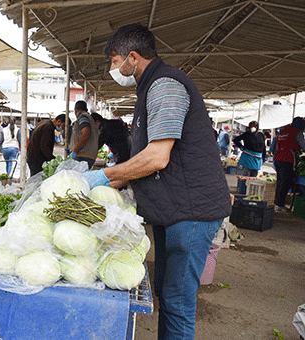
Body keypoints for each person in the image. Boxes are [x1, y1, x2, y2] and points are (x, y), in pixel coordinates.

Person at [84, 23, 231, 340]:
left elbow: (156, 157)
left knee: (178, 301)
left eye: (113, 61)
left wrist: (103, 175)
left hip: (191, 212)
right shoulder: (149, 89)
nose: (113, 68)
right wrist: (104, 186)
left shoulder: (165, 85)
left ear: (132, 58)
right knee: (168, 291)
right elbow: (144, 161)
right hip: (173, 209)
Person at [273, 117, 305, 212]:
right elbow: (303, 146)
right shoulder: (297, 132)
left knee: (280, 182)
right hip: (288, 159)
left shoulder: (283, 131)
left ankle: (278, 203)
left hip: (278, 158)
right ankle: (279, 205)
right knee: (286, 182)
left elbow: (276, 147)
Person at [232, 121, 266, 194]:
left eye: (254, 126)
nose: (252, 128)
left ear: (257, 127)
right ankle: (243, 190)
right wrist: (241, 147)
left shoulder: (261, 135)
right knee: (246, 174)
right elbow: (235, 140)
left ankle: (251, 190)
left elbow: (264, 147)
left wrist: (264, 156)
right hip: (248, 156)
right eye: (251, 126)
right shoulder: (246, 134)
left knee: (254, 175)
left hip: (258, 157)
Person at [68, 100, 100, 169]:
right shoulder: (89, 118)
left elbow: (86, 133)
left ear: (75, 110)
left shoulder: (82, 117)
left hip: (83, 156)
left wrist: (75, 151)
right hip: (87, 155)